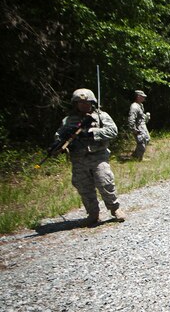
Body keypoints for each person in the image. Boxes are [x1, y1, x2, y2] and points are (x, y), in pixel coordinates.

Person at [55, 88, 126, 226]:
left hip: (98, 156)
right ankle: (93, 214)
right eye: (80, 102)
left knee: (105, 182)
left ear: (92, 102)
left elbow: (113, 131)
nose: (83, 105)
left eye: (86, 102)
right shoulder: (68, 120)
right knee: (84, 187)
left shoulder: (101, 116)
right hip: (78, 159)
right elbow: (59, 135)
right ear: (75, 104)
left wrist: (92, 133)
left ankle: (115, 209)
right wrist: (58, 144)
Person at [127, 89, 151, 160]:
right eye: (142, 96)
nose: (144, 98)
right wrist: (134, 129)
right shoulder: (134, 107)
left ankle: (135, 155)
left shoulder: (140, 105)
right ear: (138, 96)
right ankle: (138, 158)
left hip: (142, 125)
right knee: (142, 141)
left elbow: (140, 115)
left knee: (147, 139)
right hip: (138, 127)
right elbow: (131, 119)